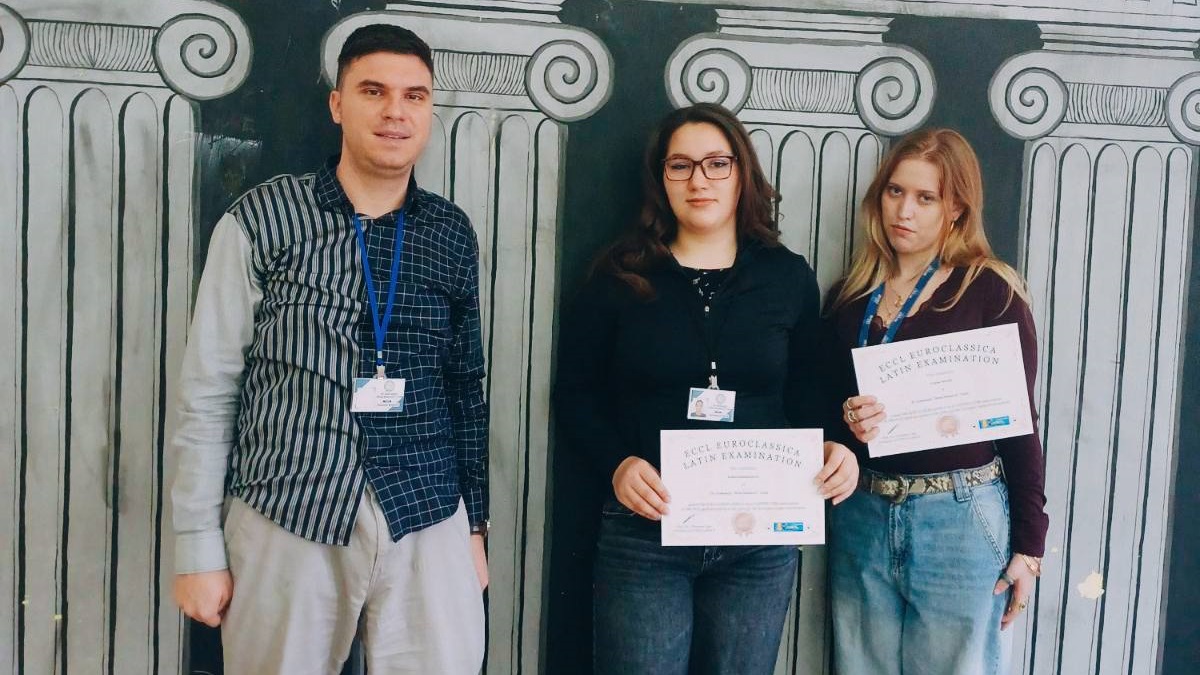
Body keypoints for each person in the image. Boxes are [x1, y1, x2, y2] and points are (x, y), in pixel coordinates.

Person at [170, 24, 489, 675]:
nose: (395, 111)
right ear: (338, 104)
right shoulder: (262, 220)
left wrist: (475, 527)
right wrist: (196, 544)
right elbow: (210, 388)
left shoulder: (451, 231)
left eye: (414, 95)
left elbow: (465, 386)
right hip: (289, 508)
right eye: (374, 91)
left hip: (426, 512)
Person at [555, 102, 859, 675]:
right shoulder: (619, 276)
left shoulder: (786, 275)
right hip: (646, 532)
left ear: (742, 174)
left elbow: (809, 389)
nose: (699, 180)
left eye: (718, 163)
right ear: (660, 179)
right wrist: (617, 464)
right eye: (681, 166)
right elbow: (576, 393)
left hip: (758, 537)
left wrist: (836, 445)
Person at [826, 128, 1049, 675]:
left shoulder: (989, 291)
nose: (904, 211)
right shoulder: (848, 297)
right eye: (895, 192)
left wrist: (1029, 546)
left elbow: (1019, 425)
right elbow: (819, 409)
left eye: (926, 198)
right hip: (862, 512)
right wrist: (844, 422)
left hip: (958, 516)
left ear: (956, 210)